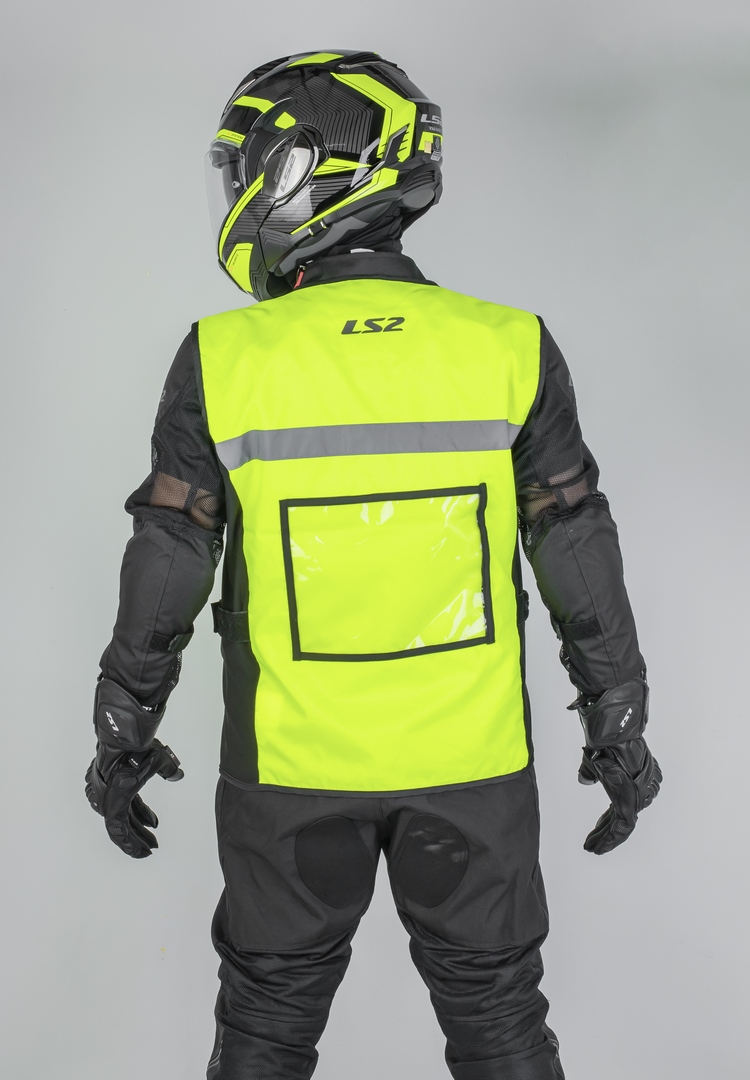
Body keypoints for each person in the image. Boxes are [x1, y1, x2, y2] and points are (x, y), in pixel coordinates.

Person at [85, 50, 662, 1080]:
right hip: (473, 772)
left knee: (264, 1031)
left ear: (300, 171)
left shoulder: (224, 357)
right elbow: (574, 537)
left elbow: (171, 549)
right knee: (500, 1023)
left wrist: (124, 721)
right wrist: (617, 714)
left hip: (290, 777)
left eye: (244, 168)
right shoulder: (510, 346)